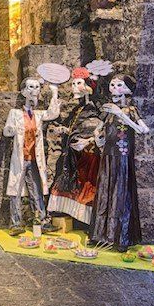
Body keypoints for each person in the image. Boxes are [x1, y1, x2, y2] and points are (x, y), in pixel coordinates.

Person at [89, 74, 149, 252]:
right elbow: (99, 130)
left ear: (127, 90)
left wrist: (122, 115)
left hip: (123, 157)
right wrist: (97, 137)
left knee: (121, 195)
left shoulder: (130, 110)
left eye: (119, 85)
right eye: (112, 85)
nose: (114, 89)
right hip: (108, 156)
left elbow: (143, 130)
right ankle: (100, 234)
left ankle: (121, 237)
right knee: (105, 193)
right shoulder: (108, 110)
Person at [3, 77, 61, 236]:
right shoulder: (15, 113)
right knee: (15, 190)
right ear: (23, 91)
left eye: (36, 87)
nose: (34, 90)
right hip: (20, 159)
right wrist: (10, 129)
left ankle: (42, 221)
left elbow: (53, 113)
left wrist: (54, 92)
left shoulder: (38, 114)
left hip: (35, 159)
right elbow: (7, 131)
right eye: (30, 87)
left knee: (37, 190)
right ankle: (15, 223)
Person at [47, 67, 102, 224]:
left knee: (88, 187)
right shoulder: (79, 108)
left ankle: (88, 220)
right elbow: (77, 128)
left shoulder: (95, 107)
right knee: (74, 183)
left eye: (78, 83)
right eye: (73, 83)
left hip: (90, 155)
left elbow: (100, 127)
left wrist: (88, 140)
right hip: (76, 154)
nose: (74, 87)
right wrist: (65, 130)